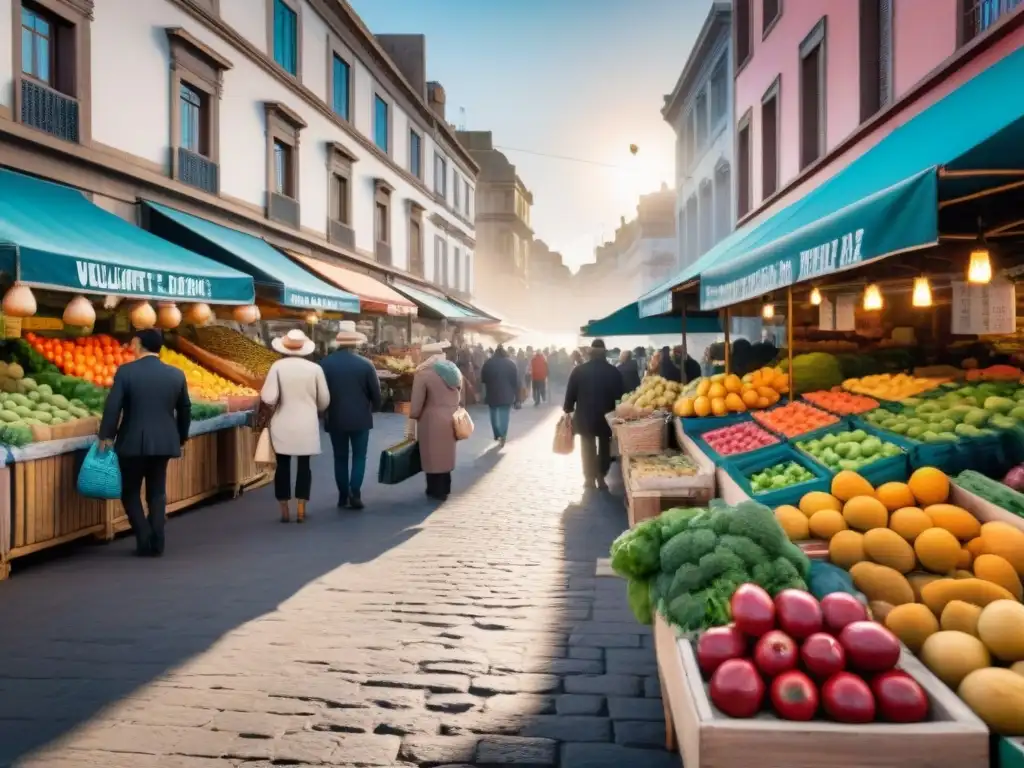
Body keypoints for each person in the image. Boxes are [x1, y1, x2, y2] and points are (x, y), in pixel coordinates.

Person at [99, 328, 191, 557]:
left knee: (129, 491)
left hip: (132, 441)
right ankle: (157, 540)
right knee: (157, 491)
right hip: (164, 441)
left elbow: (113, 407)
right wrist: (181, 437)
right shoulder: (176, 374)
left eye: (132, 342)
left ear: (139, 343)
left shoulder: (126, 372)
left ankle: (143, 536)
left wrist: (106, 436)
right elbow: (185, 409)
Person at [261, 329, 330, 523]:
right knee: (304, 466)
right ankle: (301, 507)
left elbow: (268, 397)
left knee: (282, 465)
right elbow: (324, 400)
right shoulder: (315, 369)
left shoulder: (277, 367)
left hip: (282, 423)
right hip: (307, 423)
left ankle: (284, 508)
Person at [321, 321, 380, 511]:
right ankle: (355, 491)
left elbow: (321, 393)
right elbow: (376, 394)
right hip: (361, 418)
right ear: (355, 343)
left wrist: (324, 412)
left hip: (335, 418)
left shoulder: (325, 364)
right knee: (359, 456)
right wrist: (373, 408)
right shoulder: (366, 365)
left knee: (340, 457)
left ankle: (342, 495)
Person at [563, 339, 625, 491]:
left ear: (590, 352)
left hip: (585, 415)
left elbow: (571, 391)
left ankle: (589, 478)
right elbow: (621, 396)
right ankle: (601, 476)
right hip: (606, 415)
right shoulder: (613, 371)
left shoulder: (579, 370)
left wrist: (568, 408)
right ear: (605, 352)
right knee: (604, 446)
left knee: (587, 446)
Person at [410, 341, 463, 501]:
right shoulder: (453, 370)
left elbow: (417, 403)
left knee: (432, 456)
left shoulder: (423, 373)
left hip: (430, 420)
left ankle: (433, 488)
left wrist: (413, 415)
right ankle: (445, 487)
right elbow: (461, 396)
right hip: (451, 417)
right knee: (446, 454)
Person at [480, 345, 519, 446]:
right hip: (507, 394)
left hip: (492, 393)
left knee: (493, 414)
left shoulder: (488, 363)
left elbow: (483, 379)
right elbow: (515, 382)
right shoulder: (511, 364)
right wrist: (517, 397)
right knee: (504, 415)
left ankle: (496, 433)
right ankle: (503, 435)